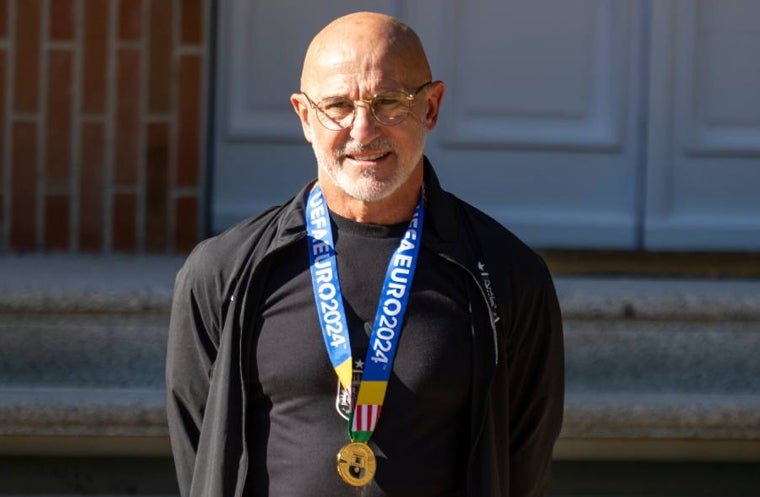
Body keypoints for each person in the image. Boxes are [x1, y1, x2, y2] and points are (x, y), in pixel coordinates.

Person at [166, 11, 564, 497]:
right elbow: (200, 454)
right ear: (305, 116)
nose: (362, 130)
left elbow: (521, 462)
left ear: (432, 108)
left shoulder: (508, 277)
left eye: (389, 102)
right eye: (337, 106)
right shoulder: (224, 274)